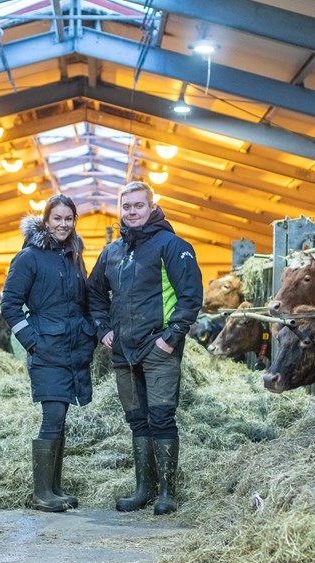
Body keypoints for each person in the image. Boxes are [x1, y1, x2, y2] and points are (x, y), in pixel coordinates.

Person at [88, 181, 203, 515]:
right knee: (137, 420)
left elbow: (191, 297)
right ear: (120, 209)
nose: (132, 212)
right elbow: (94, 293)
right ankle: (143, 489)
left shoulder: (172, 246)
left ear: (152, 207)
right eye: (127, 207)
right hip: (123, 351)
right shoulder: (112, 252)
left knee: (162, 417)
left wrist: (171, 338)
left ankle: (167, 492)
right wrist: (103, 328)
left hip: (158, 348)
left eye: (139, 205)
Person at [1, 194, 96, 512]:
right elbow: (9, 304)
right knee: (52, 417)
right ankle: (41, 493)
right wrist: (31, 340)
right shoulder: (29, 257)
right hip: (46, 348)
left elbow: (81, 298)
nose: (63, 224)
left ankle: (54, 488)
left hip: (72, 348)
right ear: (45, 220)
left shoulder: (74, 254)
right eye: (57, 218)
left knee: (61, 418)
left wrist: (90, 331)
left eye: (68, 219)